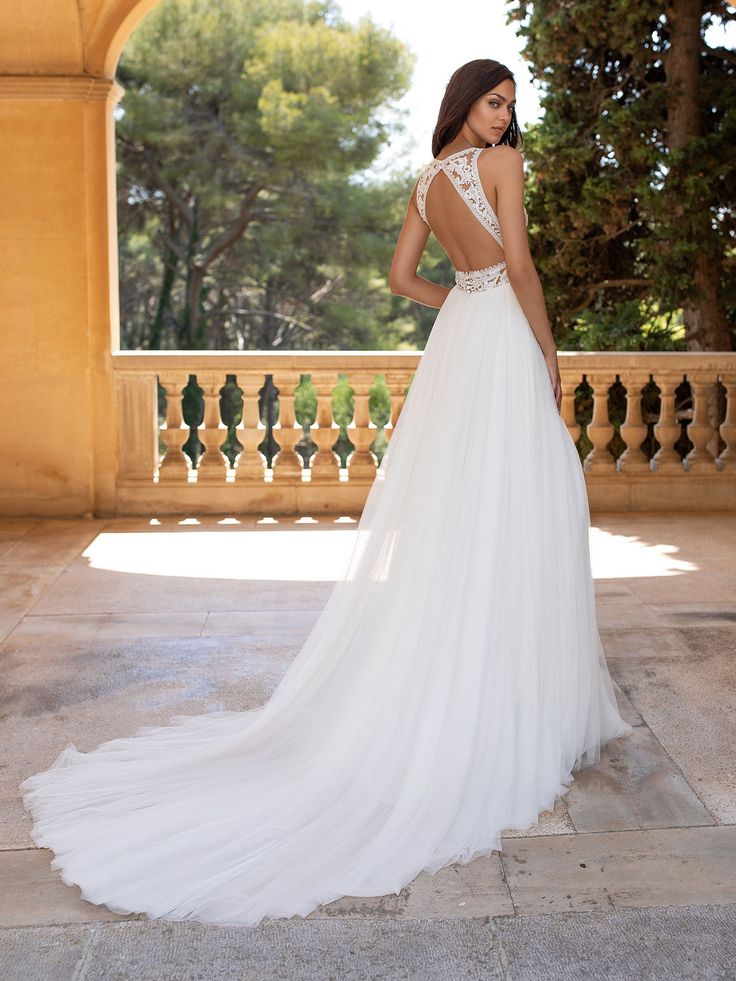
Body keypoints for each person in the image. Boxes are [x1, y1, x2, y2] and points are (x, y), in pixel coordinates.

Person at [20, 58, 631, 928]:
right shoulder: (500, 166)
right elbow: (525, 267)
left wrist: (461, 300)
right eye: (494, 103)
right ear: (465, 102)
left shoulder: (427, 185)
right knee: (523, 507)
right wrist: (548, 352)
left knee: (469, 513)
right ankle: (511, 701)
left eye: (509, 108)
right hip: (498, 339)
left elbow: (399, 280)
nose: (504, 119)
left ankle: (482, 685)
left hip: (461, 338)